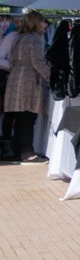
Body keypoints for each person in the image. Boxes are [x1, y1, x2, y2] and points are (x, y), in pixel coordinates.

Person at [1, 10, 49, 162]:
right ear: (35, 22)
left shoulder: (19, 37)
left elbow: (12, 60)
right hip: (28, 80)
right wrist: (51, 76)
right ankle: (27, 152)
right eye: (42, 21)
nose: (45, 25)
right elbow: (37, 62)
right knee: (28, 117)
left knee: (19, 117)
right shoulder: (35, 39)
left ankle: (17, 150)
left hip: (15, 78)